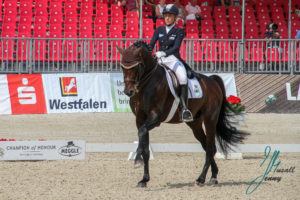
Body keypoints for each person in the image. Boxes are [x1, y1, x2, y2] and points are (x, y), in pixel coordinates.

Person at [149, 4, 193, 122]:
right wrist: (147, 52)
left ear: (175, 17)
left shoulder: (179, 31)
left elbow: (176, 48)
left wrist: (163, 53)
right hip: (160, 61)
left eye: (170, 16)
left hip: (173, 60)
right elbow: (151, 44)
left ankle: (184, 109)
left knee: (183, 78)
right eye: (165, 16)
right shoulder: (159, 30)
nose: (167, 18)